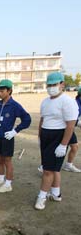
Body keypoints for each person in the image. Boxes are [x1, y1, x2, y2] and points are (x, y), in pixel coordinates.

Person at [35, 72, 79, 210]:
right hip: (46, 135)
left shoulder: (68, 101)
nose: (51, 88)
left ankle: (41, 197)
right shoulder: (46, 101)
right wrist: (40, 136)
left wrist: (63, 144)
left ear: (62, 85)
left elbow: (71, 124)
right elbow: (42, 120)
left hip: (59, 136)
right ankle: (56, 193)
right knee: (54, 169)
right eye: (49, 85)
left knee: (47, 171)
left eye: (54, 85)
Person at [0, 79, 31, 193]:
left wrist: (15, 130)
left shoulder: (14, 105)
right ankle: (1, 179)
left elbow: (27, 119)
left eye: (2, 91)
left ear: (9, 91)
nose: (0, 93)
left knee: (7, 161)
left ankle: (8, 184)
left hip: (7, 137)